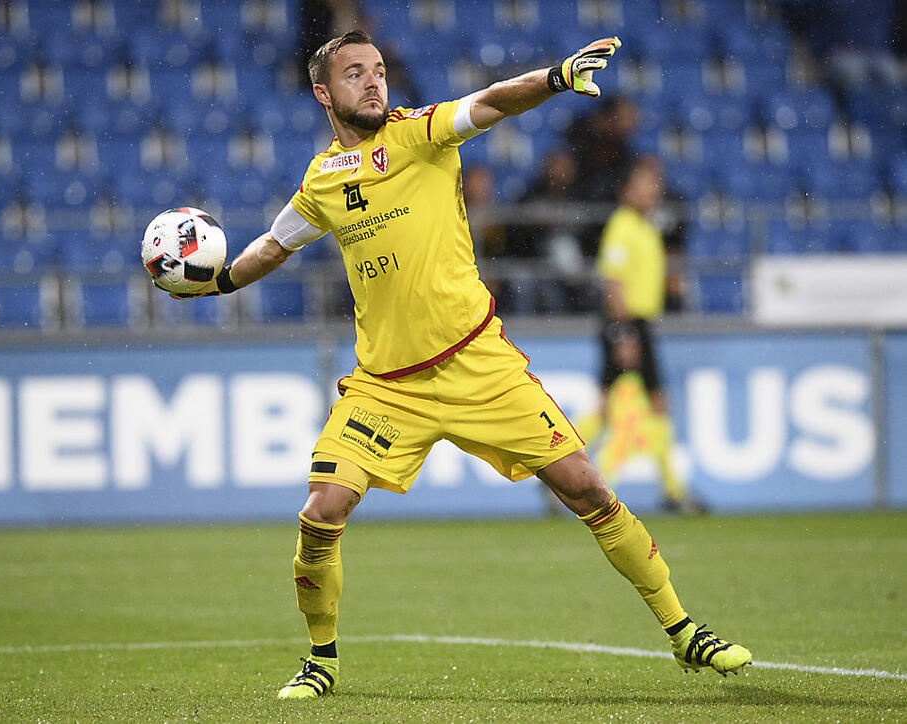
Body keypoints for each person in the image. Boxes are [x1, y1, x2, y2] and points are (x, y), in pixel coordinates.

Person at [170, 30, 750, 699]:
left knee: (587, 488)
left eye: (379, 70)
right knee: (321, 511)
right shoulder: (323, 180)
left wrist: (556, 77)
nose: (373, 81)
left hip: (478, 364)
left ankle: (683, 631)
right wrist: (214, 284)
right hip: (387, 388)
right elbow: (274, 245)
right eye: (354, 73)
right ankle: (320, 659)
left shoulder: (422, 133)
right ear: (323, 93)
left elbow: (494, 101)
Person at [578, 156, 704, 513]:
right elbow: (613, 283)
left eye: (656, 183)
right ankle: (673, 491)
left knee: (610, 408)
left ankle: (672, 490)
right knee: (652, 405)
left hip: (635, 325)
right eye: (646, 183)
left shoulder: (646, 226)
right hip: (626, 325)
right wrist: (624, 334)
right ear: (626, 191)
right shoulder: (623, 226)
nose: (654, 190)